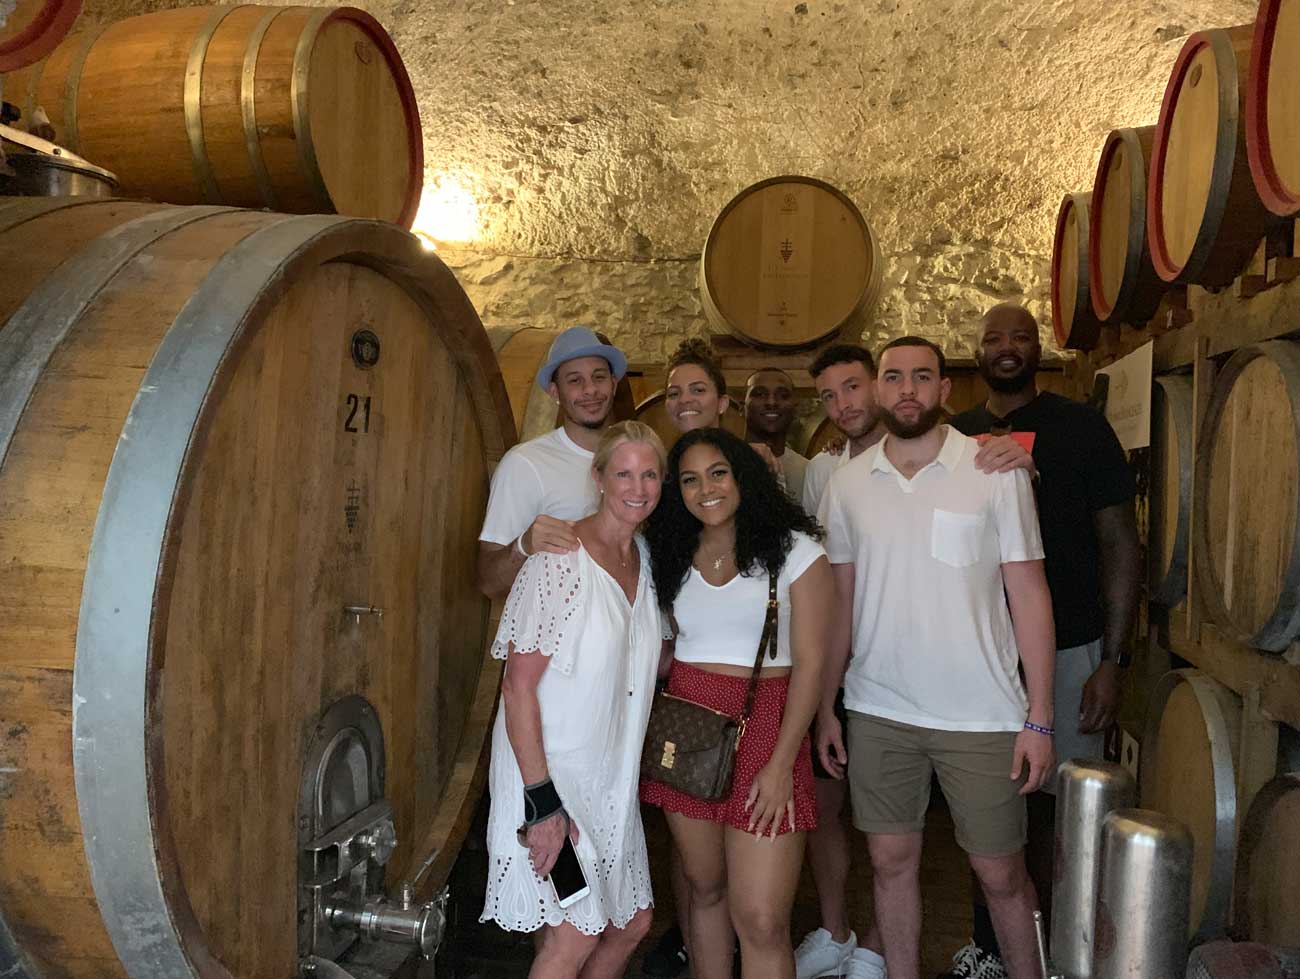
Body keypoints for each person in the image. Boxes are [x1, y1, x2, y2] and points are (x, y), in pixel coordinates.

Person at [817, 337, 1057, 979]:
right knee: (891, 864)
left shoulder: (994, 470)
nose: (906, 389)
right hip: (879, 710)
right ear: (874, 388)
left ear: (945, 390)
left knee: (1001, 873)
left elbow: (1029, 593)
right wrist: (825, 708)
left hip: (982, 714)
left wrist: (1039, 716)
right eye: (892, 376)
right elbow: (840, 603)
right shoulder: (845, 485)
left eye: (922, 377)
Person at [939, 304, 1139, 979]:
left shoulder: (1082, 427)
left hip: (1072, 645)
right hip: (980, 653)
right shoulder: (953, 436)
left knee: (1060, 811)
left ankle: (1060, 950)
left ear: (1037, 348)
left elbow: (1119, 542)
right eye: (992, 337)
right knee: (982, 810)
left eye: (1019, 336)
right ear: (978, 350)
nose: (1005, 347)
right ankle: (989, 950)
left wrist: (1112, 662)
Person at [479, 422, 667, 978]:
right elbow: (517, 688)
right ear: (599, 478)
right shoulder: (559, 560)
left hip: (610, 783)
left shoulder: (644, 559)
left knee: (630, 923)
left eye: (650, 473)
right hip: (550, 781)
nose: (638, 486)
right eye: (624, 473)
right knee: (574, 933)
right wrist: (542, 804)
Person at [642, 428, 831, 979]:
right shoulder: (670, 553)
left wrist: (779, 766)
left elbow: (812, 666)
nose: (707, 489)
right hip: (689, 723)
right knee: (704, 891)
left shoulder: (797, 551)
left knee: (763, 918)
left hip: (770, 727)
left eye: (718, 472)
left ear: (743, 475)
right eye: (690, 479)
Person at [476, 326, 628, 599]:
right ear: (554, 392)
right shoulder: (524, 464)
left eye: (599, 377)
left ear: (614, 384)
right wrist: (523, 546)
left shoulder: (634, 459)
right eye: (575, 381)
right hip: (559, 639)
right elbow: (489, 583)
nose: (590, 389)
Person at [744, 368, 809, 499]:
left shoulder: (809, 471)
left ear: (795, 408)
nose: (771, 402)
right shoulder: (724, 463)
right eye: (760, 394)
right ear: (742, 406)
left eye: (783, 396)